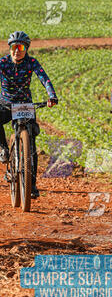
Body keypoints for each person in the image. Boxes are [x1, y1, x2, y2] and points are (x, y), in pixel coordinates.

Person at [0, 31, 58, 198]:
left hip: (25, 105)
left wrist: (51, 96)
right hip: (6, 104)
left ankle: (31, 186)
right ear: (10, 48)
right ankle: (3, 148)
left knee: (31, 144)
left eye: (21, 47)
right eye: (13, 47)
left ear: (26, 49)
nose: (17, 50)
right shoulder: (3, 62)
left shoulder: (32, 62)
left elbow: (44, 78)